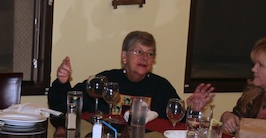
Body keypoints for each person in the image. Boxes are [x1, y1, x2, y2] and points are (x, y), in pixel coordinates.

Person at [48, 30, 214, 118]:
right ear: (124, 56)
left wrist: (194, 110)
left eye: (150, 53)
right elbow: (63, 106)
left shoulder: (161, 87)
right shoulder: (105, 81)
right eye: (138, 51)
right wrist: (62, 82)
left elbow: (177, 124)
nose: (144, 57)